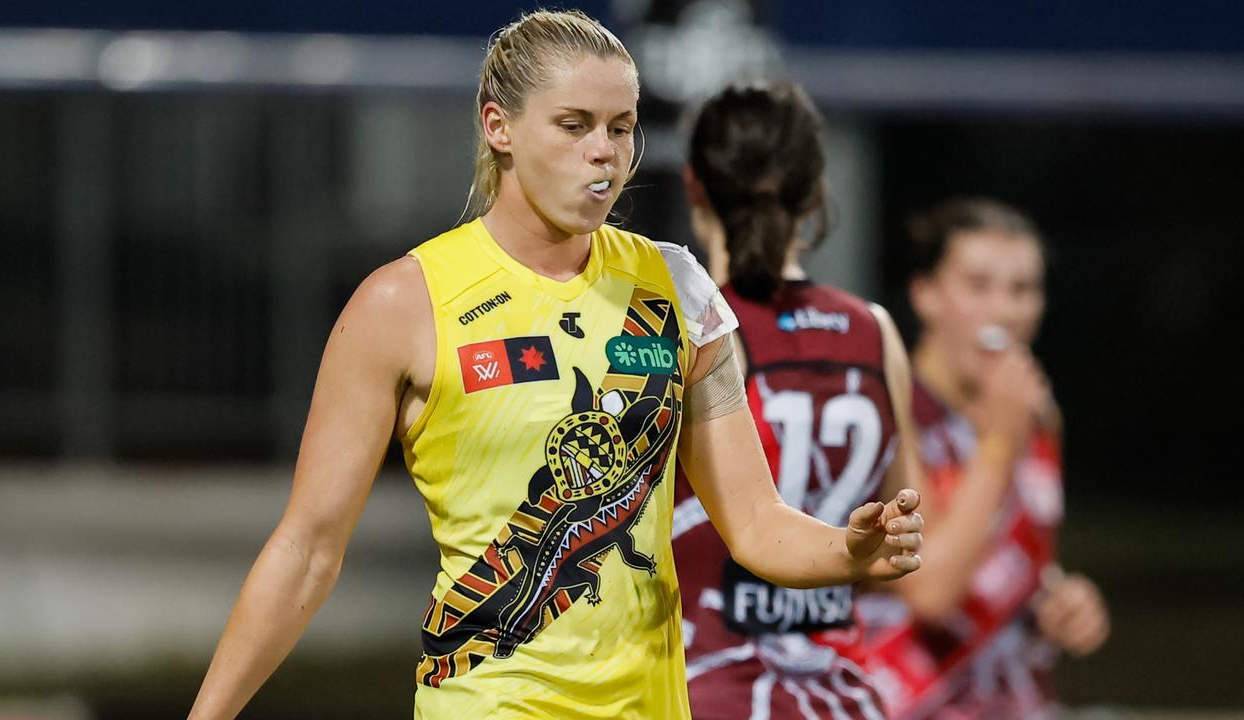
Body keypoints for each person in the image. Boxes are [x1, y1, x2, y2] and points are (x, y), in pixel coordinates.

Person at [187, 11, 923, 720]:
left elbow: (758, 525)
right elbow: (308, 549)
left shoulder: (676, 288)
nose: (603, 151)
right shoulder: (402, 304)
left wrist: (851, 550)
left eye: (622, 128)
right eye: (574, 126)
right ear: (497, 126)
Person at [671, 81, 934, 720]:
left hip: (696, 689)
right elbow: (904, 550)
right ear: (815, 193)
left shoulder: (679, 327)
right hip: (834, 696)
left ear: (694, 186)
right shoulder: (875, 331)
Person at [856, 198, 1109, 719]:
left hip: (1017, 700)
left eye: (1022, 290)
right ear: (925, 294)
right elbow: (930, 591)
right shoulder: (888, 409)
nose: (1004, 311)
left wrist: (1059, 601)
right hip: (906, 702)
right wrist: (999, 444)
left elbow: (1014, 561)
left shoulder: (1033, 413)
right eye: (978, 286)